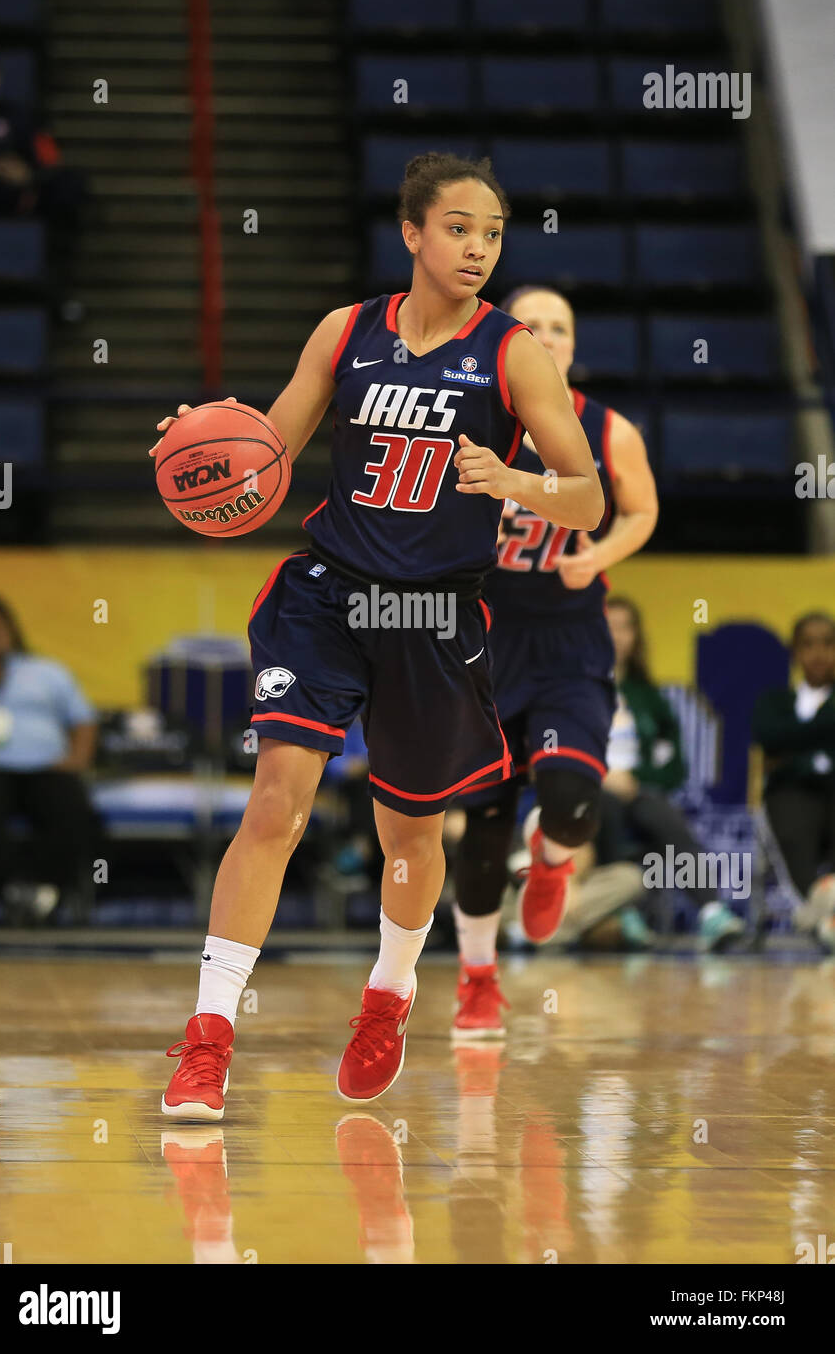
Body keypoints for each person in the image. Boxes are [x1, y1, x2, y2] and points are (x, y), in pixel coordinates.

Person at [150, 152, 604, 1119]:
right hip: (328, 593)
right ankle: (207, 1039)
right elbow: (266, 451)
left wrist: (512, 482)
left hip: (434, 611)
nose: (477, 247)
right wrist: (210, 439)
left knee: (411, 829)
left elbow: (587, 491)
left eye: (491, 233)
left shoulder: (513, 350)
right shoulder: (346, 331)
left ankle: (389, 995)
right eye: (458, 229)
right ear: (412, 234)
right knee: (276, 803)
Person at [450, 285, 658, 1035]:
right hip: (484, 639)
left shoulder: (607, 430)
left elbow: (642, 510)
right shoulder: (469, 422)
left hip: (570, 640)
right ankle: (477, 978)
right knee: (483, 821)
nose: (545, 336)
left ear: (573, 346)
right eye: (529, 324)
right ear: (505, 339)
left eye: (559, 327)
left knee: (574, 801)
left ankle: (553, 856)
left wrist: (599, 551)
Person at [597, 596, 744, 950]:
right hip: (589, 788)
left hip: (639, 792)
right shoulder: (575, 688)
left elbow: (673, 767)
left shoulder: (649, 698)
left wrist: (636, 778)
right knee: (605, 806)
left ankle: (711, 912)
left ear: (636, 637)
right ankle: (623, 912)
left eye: (624, 628)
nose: (616, 636)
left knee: (660, 814)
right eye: (608, 626)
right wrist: (602, 775)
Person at [0, 595, 98, 924]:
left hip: (47, 768)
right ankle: (12, 889)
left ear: (12, 631)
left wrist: (78, 759)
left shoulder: (46, 671)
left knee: (71, 807)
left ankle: (41, 887)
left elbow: (83, 718)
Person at [0, 45, 87, 317]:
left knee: (69, 186)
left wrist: (28, 176)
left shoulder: (20, 116)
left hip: (11, 198)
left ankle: (59, 295)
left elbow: (50, 163)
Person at [752, 611, 835, 946]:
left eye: (829, 644)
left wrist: (790, 752)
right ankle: (822, 909)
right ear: (795, 652)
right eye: (808, 644)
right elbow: (767, 734)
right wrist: (820, 743)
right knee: (792, 823)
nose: (818, 653)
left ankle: (818, 918)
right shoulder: (774, 701)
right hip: (790, 795)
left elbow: (781, 744)